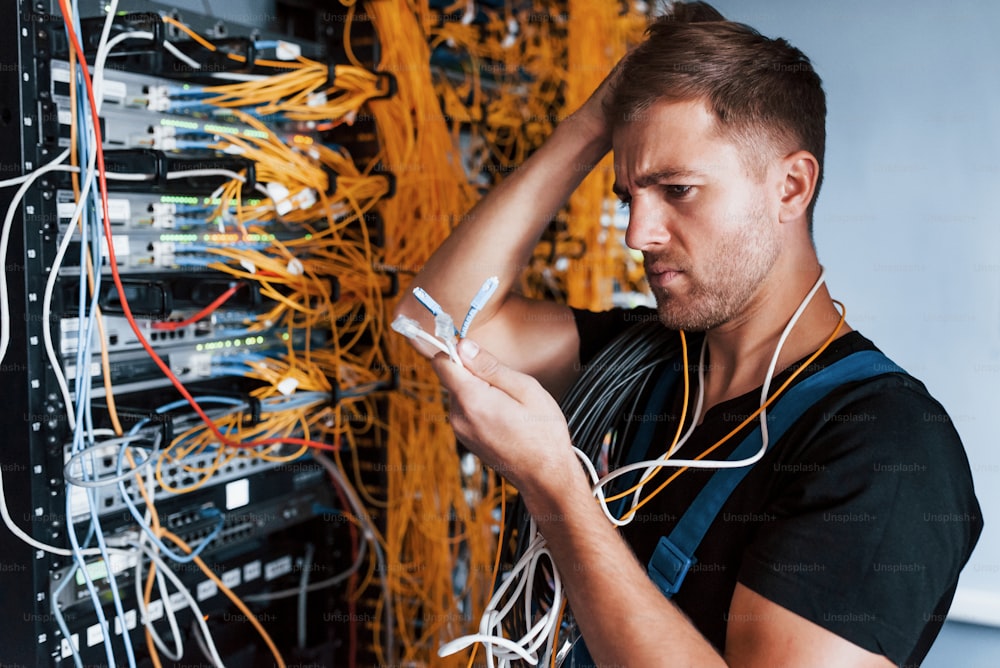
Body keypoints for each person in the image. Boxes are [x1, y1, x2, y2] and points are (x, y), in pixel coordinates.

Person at [395, 2, 983, 665]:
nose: (636, 235)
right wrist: (593, 123)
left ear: (791, 187)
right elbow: (432, 319)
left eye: (676, 189)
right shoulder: (648, 358)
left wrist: (554, 484)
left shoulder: (885, 449)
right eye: (629, 196)